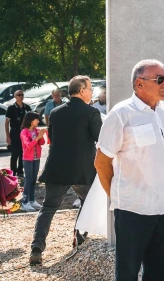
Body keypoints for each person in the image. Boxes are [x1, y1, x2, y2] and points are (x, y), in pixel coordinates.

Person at [94, 60, 164, 281]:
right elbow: (101, 162)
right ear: (139, 83)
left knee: (160, 270)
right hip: (132, 210)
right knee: (128, 273)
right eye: (160, 78)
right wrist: (119, 198)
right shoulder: (120, 115)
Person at [29, 76, 102, 265]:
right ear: (82, 90)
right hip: (82, 169)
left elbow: (52, 137)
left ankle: (37, 248)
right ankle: (79, 237)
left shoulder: (55, 112)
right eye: (90, 88)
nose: (92, 92)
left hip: (57, 167)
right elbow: (100, 138)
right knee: (88, 201)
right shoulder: (91, 112)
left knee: (48, 208)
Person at [19, 112, 46, 212]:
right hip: (28, 159)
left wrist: (41, 136)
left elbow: (42, 143)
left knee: (34, 180)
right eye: (37, 119)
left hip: (36, 158)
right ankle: (24, 202)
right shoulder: (24, 132)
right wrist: (38, 137)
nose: (38, 121)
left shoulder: (36, 130)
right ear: (31, 120)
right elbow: (29, 145)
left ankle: (32, 200)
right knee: (28, 180)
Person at [5, 90, 32, 180]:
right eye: (19, 95)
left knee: (23, 153)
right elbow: (6, 123)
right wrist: (8, 136)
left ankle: (20, 171)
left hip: (25, 133)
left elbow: (32, 119)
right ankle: (13, 172)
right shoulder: (11, 108)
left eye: (22, 95)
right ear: (15, 97)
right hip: (15, 133)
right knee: (15, 153)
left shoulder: (27, 107)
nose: (21, 96)